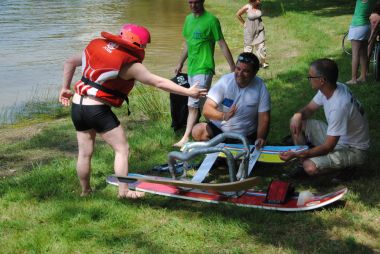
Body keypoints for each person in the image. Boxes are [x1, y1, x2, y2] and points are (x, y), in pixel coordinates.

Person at [59, 24, 207, 199]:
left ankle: (85, 191)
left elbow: (69, 61)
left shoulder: (97, 48)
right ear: (138, 44)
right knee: (122, 149)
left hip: (78, 105)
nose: (144, 48)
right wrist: (188, 92)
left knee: (84, 152)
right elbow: (158, 82)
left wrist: (64, 88)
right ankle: (124, 191)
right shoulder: (131, 64)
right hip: (97, 110)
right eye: (144, 45)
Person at [280, 59, 370, 177]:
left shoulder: (339, 106)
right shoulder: (331, 88)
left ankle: (347, 168)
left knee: (310, 166)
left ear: (321, 80)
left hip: (354, 149)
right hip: (339, 138)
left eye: (310, 77)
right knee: (295, 121)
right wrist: (298, 115)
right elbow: (309, 109)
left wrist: (297, 154)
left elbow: (328, 147)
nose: (308, 79)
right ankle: (303, 159)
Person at [173, 0, 236, 148]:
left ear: (202, 1)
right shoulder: (188, 19)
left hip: (205, 67)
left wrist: (233, 66)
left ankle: (186, 137)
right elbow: (188, 44)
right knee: (200, 103)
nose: (193, 5)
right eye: (190, 2)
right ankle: (217, 126)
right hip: (192, 68)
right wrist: (180, 62)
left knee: (193, 104)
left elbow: (222, 43)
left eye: (196, 2)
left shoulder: (211, 20)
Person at [192, 52, 271, 148]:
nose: (240, 74)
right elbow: (206, 109)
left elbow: (264, 118)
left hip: (245, 134)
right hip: (220, 130)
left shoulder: (260, 87)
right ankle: (219, 148)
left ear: (255, 73)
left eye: (246, 71)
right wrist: (223, 116)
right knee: (197, 131)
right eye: (238, 69)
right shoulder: (225, 81)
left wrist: (260, 138)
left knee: (241, 158)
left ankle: (225, 148)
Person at [346, 0, 377, 85]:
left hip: (358, 25)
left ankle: (353, 79)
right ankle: (363, 77)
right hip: (366, 26)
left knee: (355, 53)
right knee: (363, 53)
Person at [236, 0, 269, 68]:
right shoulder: (247, 7)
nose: (259, 1)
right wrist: (244, 23)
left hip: (259, 30)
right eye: (257, 0)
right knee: (248, 48)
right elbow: (238, 14)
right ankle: (247, 63)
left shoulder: (259, 6)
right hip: (249, 31)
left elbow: (259, 15)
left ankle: (263, 63)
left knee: (261, 47)